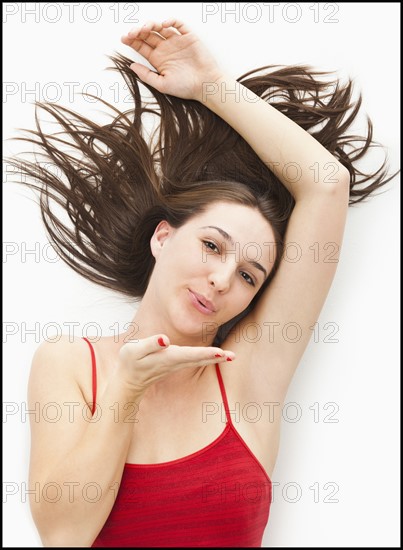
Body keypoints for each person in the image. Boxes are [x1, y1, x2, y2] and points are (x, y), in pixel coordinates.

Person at [11, 18, 396, 548]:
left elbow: (326, 184)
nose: (220, 278)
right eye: (211, 246)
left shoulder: (249, 379)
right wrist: (126, 388)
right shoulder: (71, 365)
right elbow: (64, 535)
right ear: (163, 238)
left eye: (247, 275)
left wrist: (211, 83)